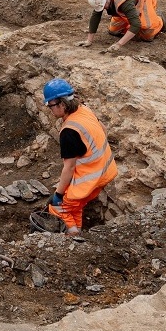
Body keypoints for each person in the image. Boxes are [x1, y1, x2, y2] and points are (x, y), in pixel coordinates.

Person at [42, 78, 117, 237]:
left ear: (61, 104)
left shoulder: (69, 131)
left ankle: (73, 238)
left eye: (50, 105)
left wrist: (58, 194)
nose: (50, 109)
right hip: (106, 171)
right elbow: (103, 130)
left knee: (60, 208)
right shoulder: (84, 109)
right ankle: (78, 232)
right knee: (74, 205)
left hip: (91, 179)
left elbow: (69, 167)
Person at [84, 0, 166, 53]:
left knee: (147, 33)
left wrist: (119, 44)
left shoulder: (125, 2)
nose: (103, 9)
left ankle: (159, 20)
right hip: (123, 5)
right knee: (113, 31)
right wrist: (89, 40)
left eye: (103, 6)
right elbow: (96, 15)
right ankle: (131, 24)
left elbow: (136, 25)